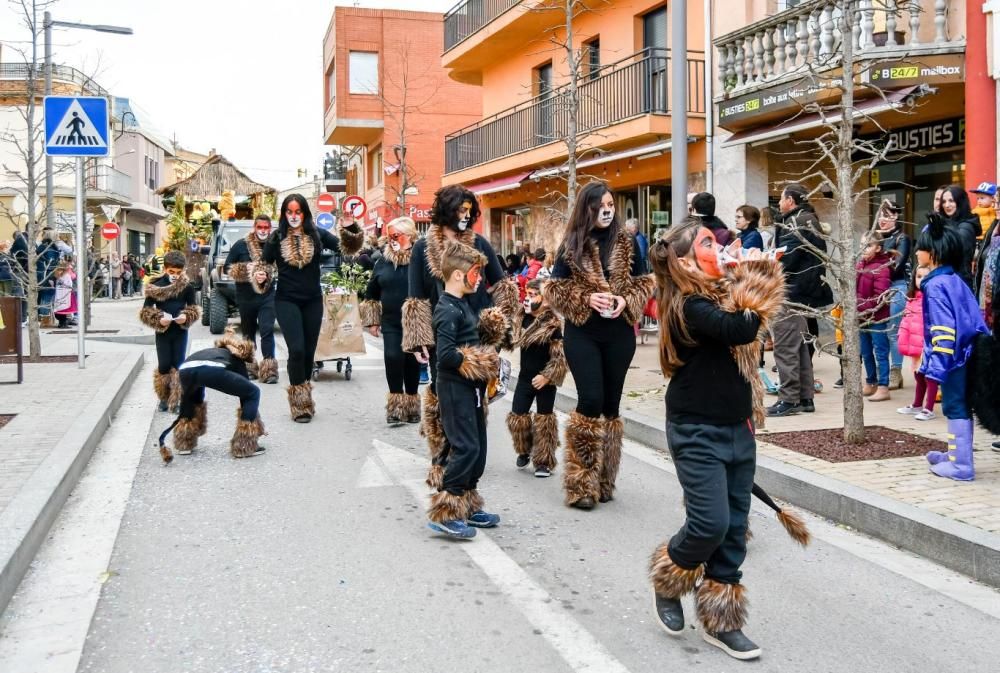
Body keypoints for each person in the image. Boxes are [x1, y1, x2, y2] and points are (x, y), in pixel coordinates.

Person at [646, 220, 790, 660]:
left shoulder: (721, 293)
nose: (720, 245)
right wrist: (758, 273)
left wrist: (752, 274)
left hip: (737, 426)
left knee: (733, 531)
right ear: (686, 259)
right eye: (708, 242)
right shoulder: (687, 305)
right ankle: (668, 580)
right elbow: (741, 328)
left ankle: (721, 621)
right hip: (695, 429)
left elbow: (749, 326)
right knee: (709, 522)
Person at [543, 181, 653, 509]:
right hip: (583, 333)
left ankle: (605, 480)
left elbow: (646, 282)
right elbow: (552, 289)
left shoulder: (628, 242)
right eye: (600, 205)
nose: (607, 210)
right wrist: (586, 297)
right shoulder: (572, 243)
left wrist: (624, 300)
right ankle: (580, 484)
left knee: (611, 406)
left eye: (611, 204)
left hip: (619, 333)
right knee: (590, 399)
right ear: (587, 209)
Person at [402, 185, 517, 488]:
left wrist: (499, 326)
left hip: (476, 337)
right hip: (444, 338)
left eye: (470, 211)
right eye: (460, 210)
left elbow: (502, 286)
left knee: (475, 405)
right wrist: (418, 341)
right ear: (446, 211)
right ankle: (444, 468)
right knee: (444, 404)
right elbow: (416, 298)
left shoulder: (479, 243)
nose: (465, 216)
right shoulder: (422, 248)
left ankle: (465, 474)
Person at [262, 194, 364, 422]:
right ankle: (299, 404)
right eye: (289, 212)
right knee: (296, 350)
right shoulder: (276, 237)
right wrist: (260, 276)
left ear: (305, 213)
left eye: (298, 212)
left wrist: (351, 227)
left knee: (308, 352)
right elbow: (263, 264)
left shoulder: (317, 234)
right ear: (284, 214)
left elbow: (347, 248)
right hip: (286, 300)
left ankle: (305, 392)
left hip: (312, 300)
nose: (294, 217)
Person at [426, 241, 502, 539]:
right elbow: (445, 355)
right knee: (466, 447)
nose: (480, 278)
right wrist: (481, 362)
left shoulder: (463, 305)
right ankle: (446, 510)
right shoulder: (447, 309)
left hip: (471, 391)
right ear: (458, 275)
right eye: (475, 272)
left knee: (479, 449)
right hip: (454, 389)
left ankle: (468, 504)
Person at [918, 214, 990, 480]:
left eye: (921, 247)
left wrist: (936, 368)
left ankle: (961, 466)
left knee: (954, 406)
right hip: (969, 353)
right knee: (959, 406)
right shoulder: (954, 279)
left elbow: (943, 330)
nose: (917, 252)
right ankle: (954, 454)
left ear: (934, 253)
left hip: (955, 359)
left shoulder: (935, 286)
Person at [767, 183, 832, 417]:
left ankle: (789, 399)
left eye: (782, 198)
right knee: (800, 346)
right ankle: (805, 397)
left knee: (785, 346)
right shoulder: (807, 218)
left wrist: (765, 263)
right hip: (804, 292)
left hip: (792, 292)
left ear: (791, 201)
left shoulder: (795, 222)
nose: (779, 202)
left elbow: (787, 259)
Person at [156, 331, 266, 463]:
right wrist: (255, 425)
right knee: (253, 392)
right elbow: (246, 397)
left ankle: (184, 442)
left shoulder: (213, 351)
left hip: (185, 369)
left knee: (193, 397)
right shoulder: (238, 358)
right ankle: (244, 445)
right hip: (213, 370)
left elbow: (199, 373)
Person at [360, 216, 422, 425]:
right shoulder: (382, 261)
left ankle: (412, 404)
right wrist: (372, 320)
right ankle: (395, 406)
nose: (391, 240)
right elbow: (372, 292)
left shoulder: (421, 259)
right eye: (389, 236)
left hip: (416, 323)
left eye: (396, 235)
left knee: (412, 362)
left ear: (410, 236)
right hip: (391, 321)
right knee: (393, 357)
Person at [506, 278, 567, 478]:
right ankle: (524, 449)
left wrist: (546, 377)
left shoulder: (553, 325)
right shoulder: (521, 318)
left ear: (546, 300)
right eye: (527, 294)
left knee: (545, 420)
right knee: (517, 416)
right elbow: (510, 339)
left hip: (544, 381)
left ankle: (543, 462)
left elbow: (560, 359)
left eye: (533, 295)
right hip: (525, 378)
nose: (528, 299)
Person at [139, 251, 200, 412]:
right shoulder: (156, 285)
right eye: (171, 272)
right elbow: (145, 311)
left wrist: (185, 317)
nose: (175, 275)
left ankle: (177, 398)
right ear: (165, 269)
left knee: (179, 363)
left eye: (178, 273)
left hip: (179, 330)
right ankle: (164, 397)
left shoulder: (187, 286)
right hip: (163, 332)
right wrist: (158, 319)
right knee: (164, 364)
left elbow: (193, 308)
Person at [224, 214, 279, 385]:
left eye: (265, 228)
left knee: (267, 330)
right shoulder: (241, 245)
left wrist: (268, 274)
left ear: (270, 229)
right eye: (259, 227)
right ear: (254, 228)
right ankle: (249, 367)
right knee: (248, 333)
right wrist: (246, 270)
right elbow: (227, 267)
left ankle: (269, 370)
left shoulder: (275, 245)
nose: (262, 231)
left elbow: (282, 268)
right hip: (246, 296)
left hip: (267, 296)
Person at [875, 200, 912, 390]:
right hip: (877, 288)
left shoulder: (902, 238)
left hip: (896, 286)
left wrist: (877, 272)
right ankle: (882, 372)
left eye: (888, 215)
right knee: (879, 331)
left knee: (893, 331)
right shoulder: (875, 238)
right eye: (881, 215)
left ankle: (896, 371)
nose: (883, 219)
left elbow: (897, 266)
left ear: (896, 216)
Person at [856, 232, 894, 402]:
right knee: (865, 352)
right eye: (862, 245)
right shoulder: (860, 265)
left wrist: (858, 306)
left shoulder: (882, 268)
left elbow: (880, 297)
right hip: (861, 317)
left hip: (877, 317)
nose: (864, 249)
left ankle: (884, 385)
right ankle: (871, 381)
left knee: (880, 351)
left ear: (878, 248)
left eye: (868, 245)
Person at [896, 265, 936, 420]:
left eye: (926, 276)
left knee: (930, 376)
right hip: (915, 346)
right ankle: (917, 404)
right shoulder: (912, 297)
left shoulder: (933, 298)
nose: (921, 280)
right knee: (918, 375)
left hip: (927, 345)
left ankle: (929, 407)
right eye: (918, 276)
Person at [935, 185, 981, 290]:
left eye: (951, 201)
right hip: (946, 279)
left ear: (960, 202)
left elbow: (954, 253)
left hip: (959, 282)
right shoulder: (945, 223)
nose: (947, 205)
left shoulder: (967, 226)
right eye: (944, 201)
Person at [52, 260, 78, 327]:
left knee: (60, 308)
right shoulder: (66, 275)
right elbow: (69, 284)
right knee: (65, 308)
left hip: (59, 294)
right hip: (67, 294)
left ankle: (61, 322)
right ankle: (63, 323)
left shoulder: (57, 274)